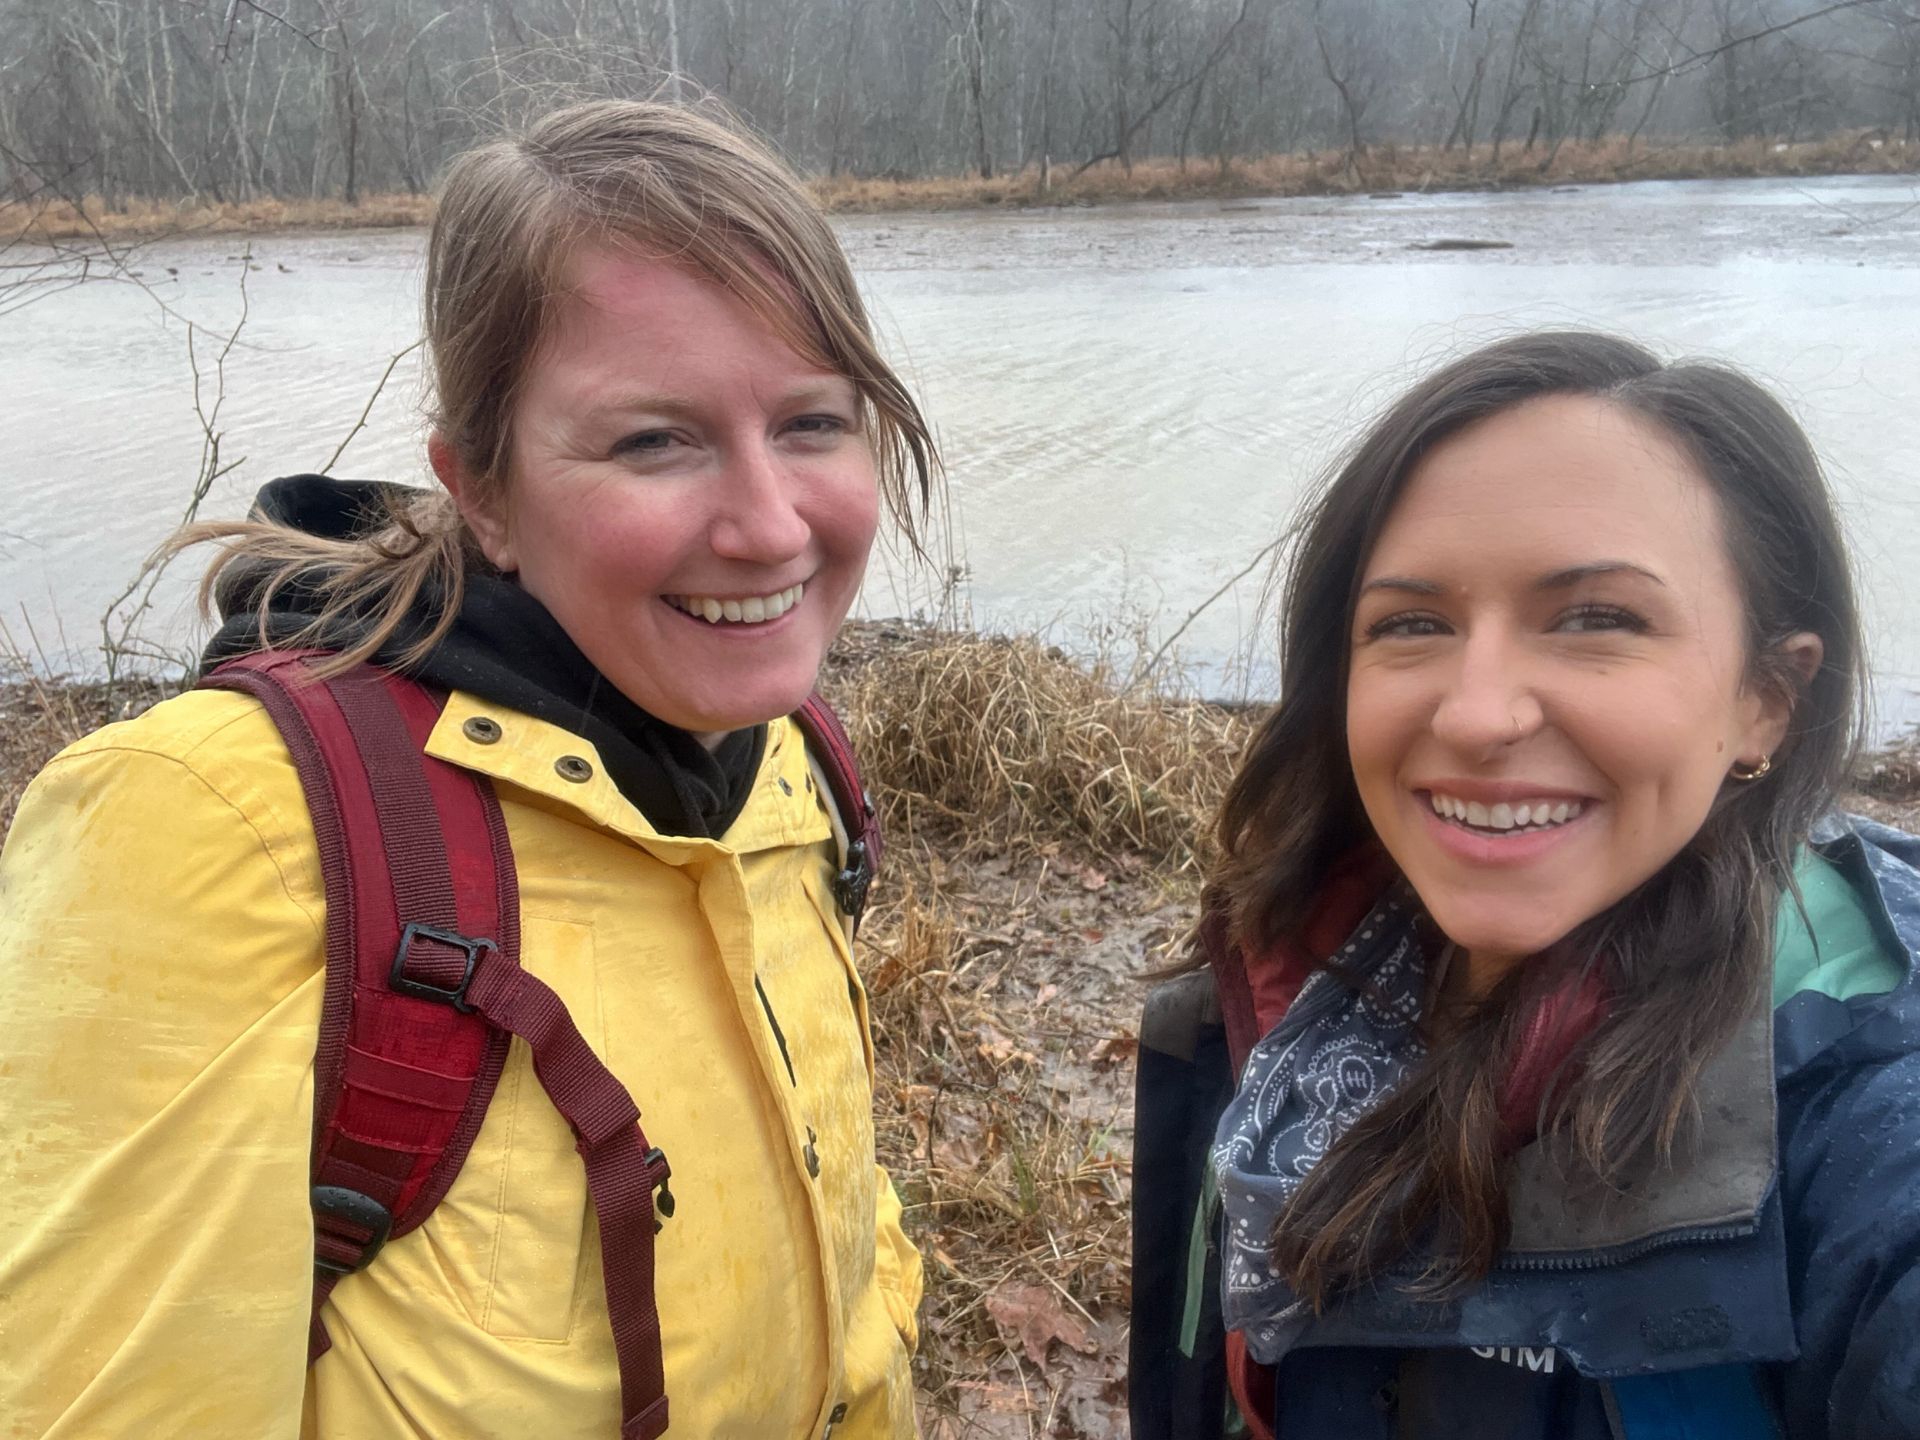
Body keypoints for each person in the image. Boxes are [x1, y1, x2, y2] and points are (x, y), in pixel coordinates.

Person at [0, 100, 931, 1439]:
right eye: (652, 439)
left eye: (813, 422)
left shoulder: (782, 757)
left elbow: (837, 1228)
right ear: (481, 489)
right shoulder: (219, 827)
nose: (771, 525)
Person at [1130, 331, 1920, 1439]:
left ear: (1767, 702)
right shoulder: (1299, 985)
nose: (1475, 713)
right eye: (1413, 624)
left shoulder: (1863, 1111)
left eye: (1596, 619)